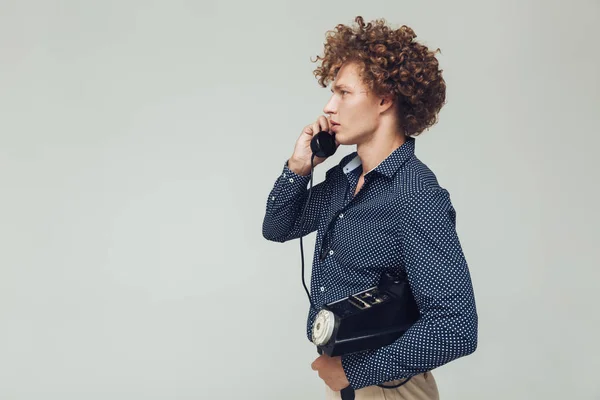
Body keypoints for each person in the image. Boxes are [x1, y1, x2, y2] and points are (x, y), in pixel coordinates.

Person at [262, 16, 478, 400]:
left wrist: (353, 372)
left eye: (343, 93)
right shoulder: (344, 179)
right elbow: (278, 227)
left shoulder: (416, 194)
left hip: (389, 388)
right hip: (346, 381)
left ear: (383, 99)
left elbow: (456, 326)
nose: (329, 107)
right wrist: (299, 167)